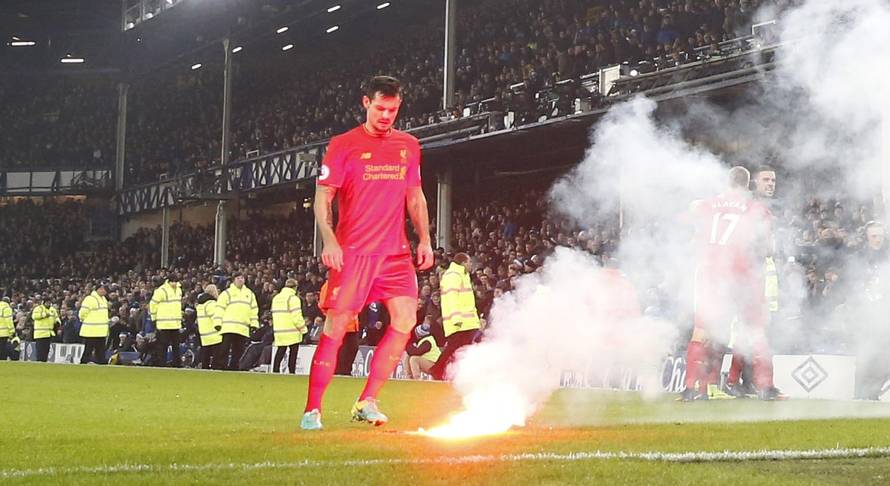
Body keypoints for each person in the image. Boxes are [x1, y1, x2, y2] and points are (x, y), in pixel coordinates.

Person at [301, 75, 433, 430]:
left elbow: (415, 197)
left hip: (395, 252)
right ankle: (312, 409)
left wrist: (424, 239)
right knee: (338, 325)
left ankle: (368, 400)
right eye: (380, 108)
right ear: (366, 104)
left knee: (405, 321)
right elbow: (323, 196)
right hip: (355, 252)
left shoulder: (409, 145)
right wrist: (329, 239)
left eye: (392, 109)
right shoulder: (343, 144)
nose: (386, 115)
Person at [683, 166, 783, 401]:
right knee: (755, 331)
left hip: (710, 274)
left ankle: (692, 387)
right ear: (748, 185)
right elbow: (768, 249)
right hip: (741, 275)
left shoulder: (708, 204)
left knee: (703, 331)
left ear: (727, 182)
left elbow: (691, 214)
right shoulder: (756, 208)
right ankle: (765, 387)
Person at [429, 253, 482, 380]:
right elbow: (451, 298)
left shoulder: (462, 275)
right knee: (456, 348)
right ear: (463, 263)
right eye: (469, 262)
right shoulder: (453, 276)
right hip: (461, 322)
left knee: (460, 349)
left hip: (467, 322)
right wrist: (456, 318)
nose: (471, 265)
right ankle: (438, 369)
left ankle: (446, 372)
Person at [215, 272, 259, 370]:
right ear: (234, 280)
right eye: (238, 278)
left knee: (239, 350)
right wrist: (217, 323)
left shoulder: (249, 294)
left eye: (242, 278)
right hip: (229, 326)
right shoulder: (227, 293)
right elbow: (220, 308)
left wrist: (254, 324)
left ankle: (234, 367)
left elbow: (254, 310)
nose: (240, 280)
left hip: (242, 327)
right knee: (225, 348)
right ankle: (222, 365)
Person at [272, 279, 308, 374]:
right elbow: (296, 317)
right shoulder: (293, 299)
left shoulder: (276, 298)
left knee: (280, 350)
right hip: (292, 330)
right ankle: (292, 372)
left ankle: (275, 371)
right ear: (295, 287)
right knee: (293, 351)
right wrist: (303, 329)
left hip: (279, 330)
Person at [150, 273, 183, 367]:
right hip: (164, 324)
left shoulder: (179, 290)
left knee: (176, 346)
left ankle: (177, 364)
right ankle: (162, 364)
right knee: (163, 346)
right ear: (168, 281)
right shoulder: (161, 290)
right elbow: (153, 304)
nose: (175, 283)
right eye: (173, 281)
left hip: (175, 324)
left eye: (176, 281)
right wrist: (154, 319)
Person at [78, 283, 110, 364]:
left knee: (100, 350)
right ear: (97, 289)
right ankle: (83, 363)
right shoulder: (90, 299)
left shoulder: (103, 299)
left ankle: (101, 363)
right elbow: (82, 313)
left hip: (101, 331)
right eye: (102, 289)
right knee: (88, 349)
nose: (104, 291)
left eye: (104, 289)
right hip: (91, 331)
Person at [196, 284, 223, 370]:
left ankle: (205, 369)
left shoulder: (200, 304)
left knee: (206, 354)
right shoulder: (211, 303)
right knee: (216, 354)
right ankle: (215, 368)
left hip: (204, 333)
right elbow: (216, 317)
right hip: (214, 333)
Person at [31, 295, 54, 362]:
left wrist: (57, 321)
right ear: (43, 302)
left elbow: (55, 317)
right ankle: (39, 361)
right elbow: (34, 316)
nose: (48, 304)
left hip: (48, 333)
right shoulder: (38, 308)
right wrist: (44, 315)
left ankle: (44, 361)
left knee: (46, 350)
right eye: (47, 303)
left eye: (49, 303)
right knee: (40, 350)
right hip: (40, 334)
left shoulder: (52, 309)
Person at [0, 296, 13, 360]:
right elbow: (9, 320)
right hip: (3, 332)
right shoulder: (7, 308)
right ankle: (2, 360)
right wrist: (12, 331)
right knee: (2, 348)